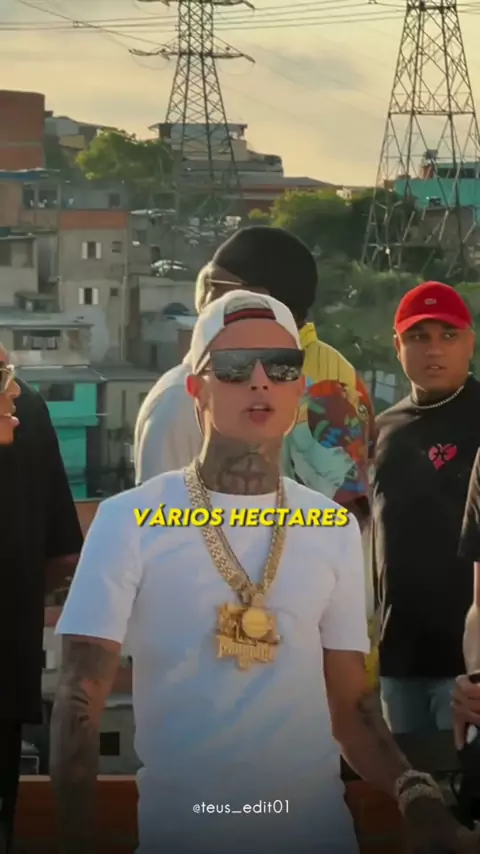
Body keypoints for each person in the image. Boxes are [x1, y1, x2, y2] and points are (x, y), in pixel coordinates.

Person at [51, 291, 479, 854]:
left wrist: (415, 795)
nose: (260, 382)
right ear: (197, 390)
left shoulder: (331, 527)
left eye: (280, 367)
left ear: (299, 390)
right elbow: (79, 701)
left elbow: (351, 709)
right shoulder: (128, 521)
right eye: (234, 367)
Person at [134, 226, 378, 681]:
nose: (203, 302)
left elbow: (337, 528)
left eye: (216, 287)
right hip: (249, 644)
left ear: (258, 302)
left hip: (283, 649)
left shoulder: (322, 387)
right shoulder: (329, 369)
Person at [372, 280, 480, 736]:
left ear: (470, 342)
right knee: (407, 778)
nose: (434, 349)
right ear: (397, 345)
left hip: (469, 670)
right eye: (418, 336)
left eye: (448, 335)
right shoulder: (382, 430)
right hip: (399, 662)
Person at [0, 348, 84, 853]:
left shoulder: (24, 410)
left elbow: (61, 551)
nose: (12, 388)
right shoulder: (26, 407)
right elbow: (61, 555)